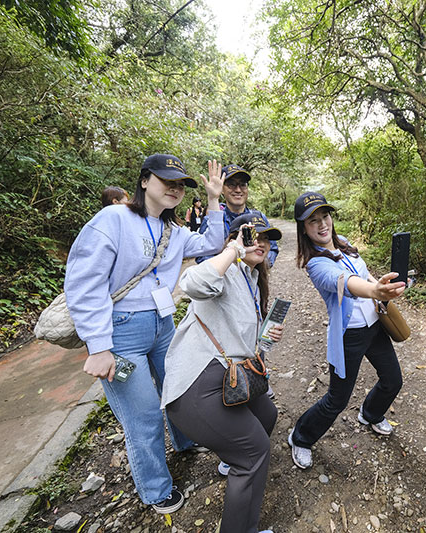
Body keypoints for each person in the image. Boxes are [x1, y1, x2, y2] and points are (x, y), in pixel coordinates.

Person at [64, 154, 226, 514]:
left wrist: (214, 199)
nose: (174, 188)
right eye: (166, 179)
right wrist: (98, 345)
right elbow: (83, 283)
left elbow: (213, 244)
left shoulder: (175, 231)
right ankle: (156, 490)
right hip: (121, 334)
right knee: (144, 415)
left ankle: (186, 442)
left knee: (179, 389)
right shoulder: (113, 219)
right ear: (143, 181)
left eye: (180, 183)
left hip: (162, 324)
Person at [162, 212, 283, 533]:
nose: (262, 243)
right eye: (252, 235)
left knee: (267, 415)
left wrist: (265, 338)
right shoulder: (226, 270)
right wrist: (231, 251)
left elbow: (241, 340)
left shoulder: (254, 280)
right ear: (237, 238)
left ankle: (232, 458)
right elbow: (191, 283)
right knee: (254, 452)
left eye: (267, 237)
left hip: (229, 378)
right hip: (194, 386)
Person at [287, 192, 406, 469]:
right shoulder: (315, 263)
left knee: (393, 379)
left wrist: (383, 288)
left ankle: (371, 414)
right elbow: (345, 281)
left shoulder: (345, 244)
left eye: (325, 217)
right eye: (313, 221)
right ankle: (301, 437)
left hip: (375, 326)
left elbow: (363, 275)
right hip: (349, 335)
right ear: (303, 228)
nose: (322, 224)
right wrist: (374, 290)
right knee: (336, 400)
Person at [197, 164, 279, 267]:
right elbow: (202, 255)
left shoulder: (259, 217)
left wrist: (258, 265)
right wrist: (228, 269)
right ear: (222, 188)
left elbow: (272, 249)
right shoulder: (213, 220)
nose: (238, 190)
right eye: (231, 184)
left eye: (243, 184)